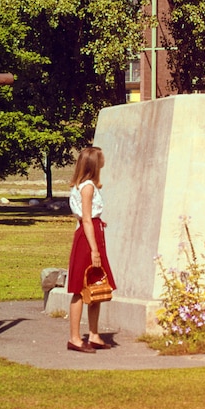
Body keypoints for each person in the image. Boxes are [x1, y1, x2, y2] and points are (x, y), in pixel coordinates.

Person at [66, 145, 116, 353]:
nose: (104, 161)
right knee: (80, 286)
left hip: (94, 234)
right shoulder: (87, 187)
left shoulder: (88, 185)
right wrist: (94, 249)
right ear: (95, 164)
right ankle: (75, 338)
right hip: (89, 237)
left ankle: (94, 334)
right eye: (101, 159)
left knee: (95, 284)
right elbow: (87, 219)